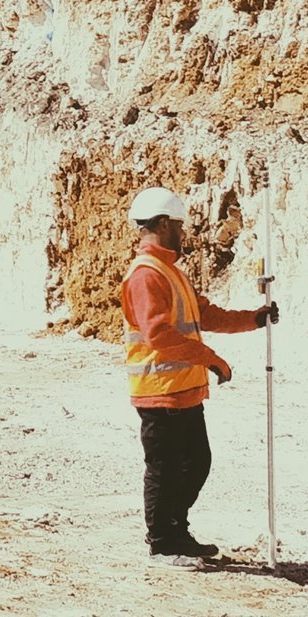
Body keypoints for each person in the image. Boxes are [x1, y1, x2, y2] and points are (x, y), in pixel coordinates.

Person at [120, 185, 276, 562]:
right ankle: (162, 543)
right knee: (164, 469)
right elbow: (158, 334)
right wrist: (209, 358)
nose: (183, 232)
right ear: (161, 223)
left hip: (183, 390)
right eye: (178, 225)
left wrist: (253, 320)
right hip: (160, 389)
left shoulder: (170, 272)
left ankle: (176, 531)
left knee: (195, 462)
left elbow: (204, 314)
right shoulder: (145, 275)